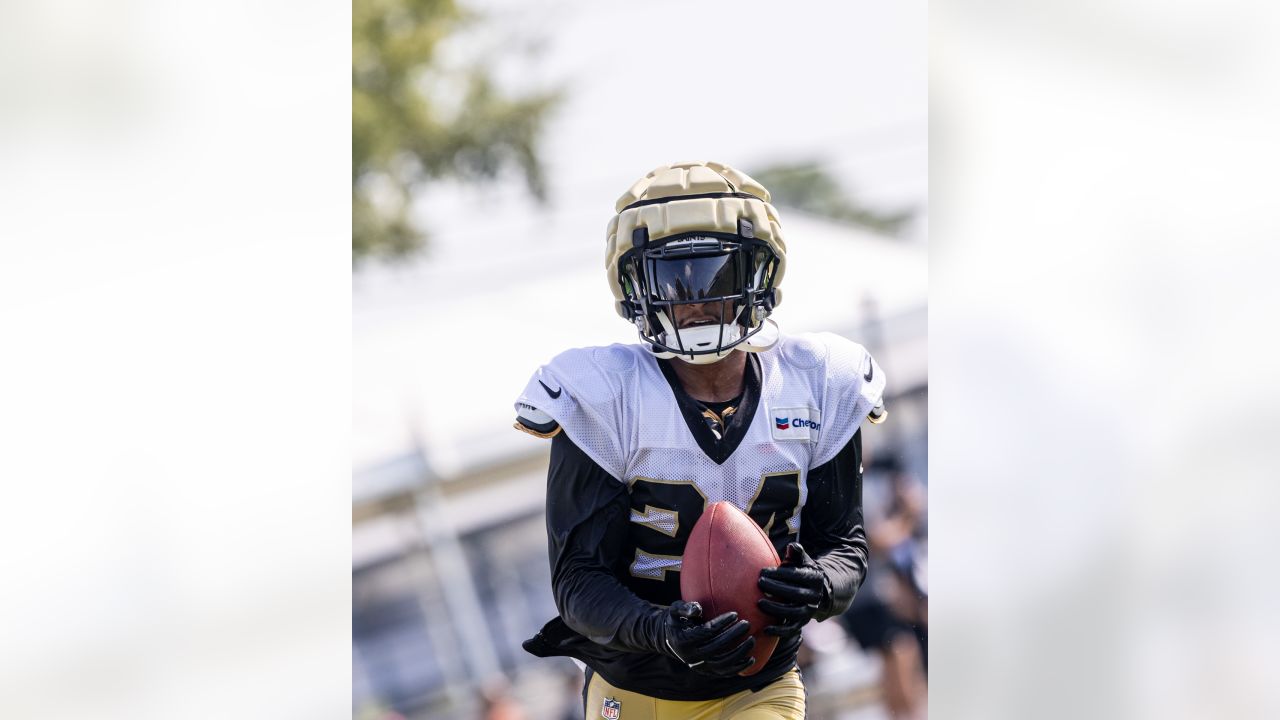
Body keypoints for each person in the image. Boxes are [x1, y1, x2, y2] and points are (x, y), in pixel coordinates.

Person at [513, 161, 887, 719]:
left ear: (758, 275)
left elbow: (845, 546)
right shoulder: (603, 395)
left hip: (759, 687)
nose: (693, 296)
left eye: (715, 272)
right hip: (633, 692)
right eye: (671, 277)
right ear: (635, 288)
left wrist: (819, 584)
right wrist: (661, 629)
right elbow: (577, 582)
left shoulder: (819, 380)